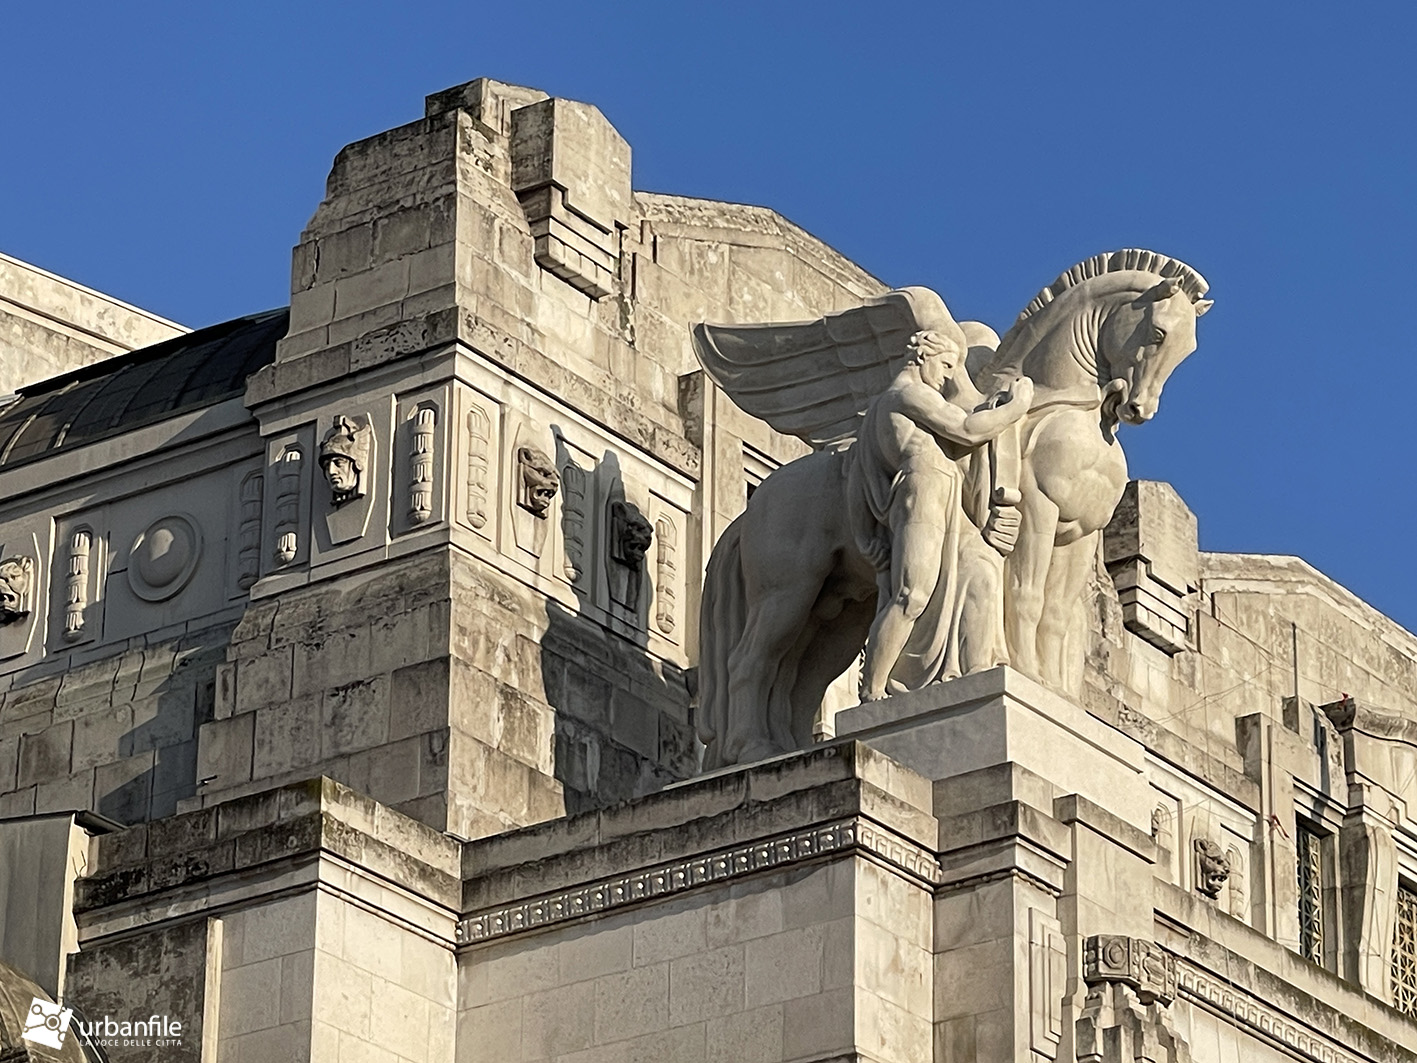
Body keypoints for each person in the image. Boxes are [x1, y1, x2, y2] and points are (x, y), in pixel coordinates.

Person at [848, 325, 1033, 700]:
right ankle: (873, 688)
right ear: (922, 356)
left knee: (962, 575)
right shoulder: (906, 393)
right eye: (946, 365)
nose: (949, 376)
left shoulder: (904, 401)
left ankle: (962, 667)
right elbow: (965, 428)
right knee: (911, 595)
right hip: (924, 494)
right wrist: (1017, 407)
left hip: (943, 496)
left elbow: (855, 478)